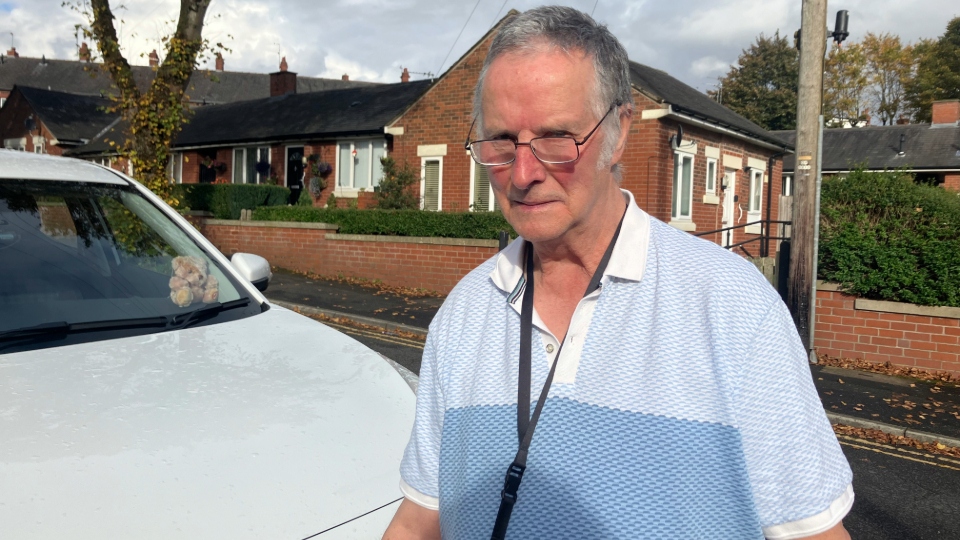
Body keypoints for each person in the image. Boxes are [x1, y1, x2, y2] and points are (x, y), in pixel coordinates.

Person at [383, 6, 853, 540]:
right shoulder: (463, 313)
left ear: (619, 132)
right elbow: (420, 521)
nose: (523, 173)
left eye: (558, 137)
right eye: (501, 142)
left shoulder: (733, 308)